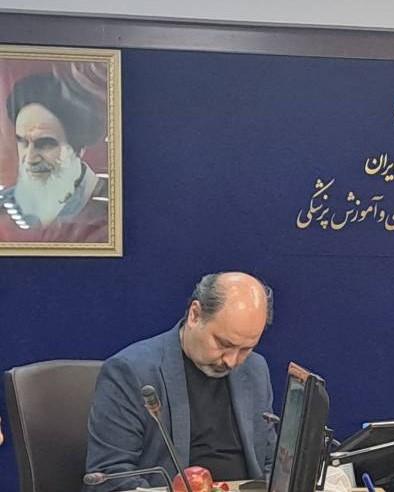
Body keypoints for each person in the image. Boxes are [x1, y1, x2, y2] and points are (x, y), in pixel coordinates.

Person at [85, 272, 277, 491]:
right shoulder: (130, 373)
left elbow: (271, 463)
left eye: (246, 349)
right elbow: (109, 478)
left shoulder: (255, 369)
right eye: (224, 344)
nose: (232, 361)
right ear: (195, 315)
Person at [0, 72, 108, 243]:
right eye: (22, 142)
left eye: (45, 144)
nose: (30, 158)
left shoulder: (109, 209)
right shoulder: (5, 207)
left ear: (78, 148)